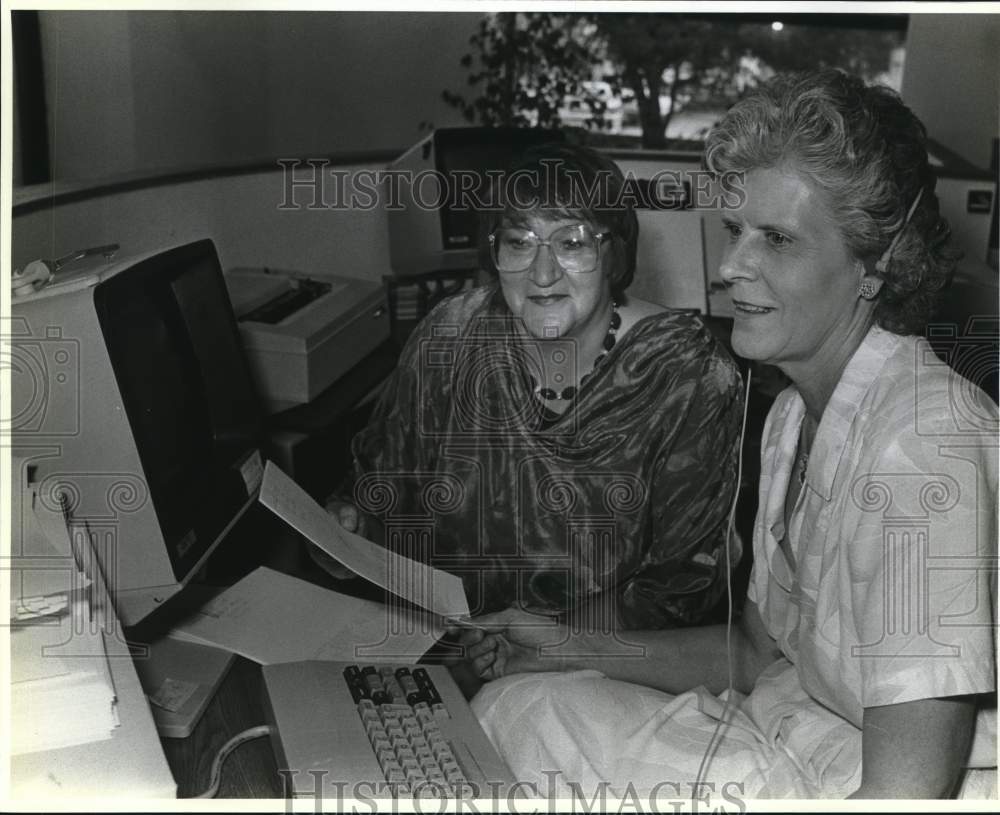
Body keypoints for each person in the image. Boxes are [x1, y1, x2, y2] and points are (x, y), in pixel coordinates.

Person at [458, 70, 998, 800]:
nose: (734, 265)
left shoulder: (923, 446)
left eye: (777, 239)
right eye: (738, 230)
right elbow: (750, 652)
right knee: (511, 709)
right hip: (787, 729)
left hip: (873, 783)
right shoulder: (790, 414)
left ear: (878, 264)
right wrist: (564, 645)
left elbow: (906, 794)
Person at [319, 142, 745, 631]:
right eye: (519, 242)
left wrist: (545, 645)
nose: (541, 274)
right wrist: (346, 531)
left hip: (604, 668)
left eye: (573, 242)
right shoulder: (451, 337)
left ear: (614, 254)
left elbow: (681, 589)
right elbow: (384, 492)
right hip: (446, 642)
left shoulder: (688, 375)